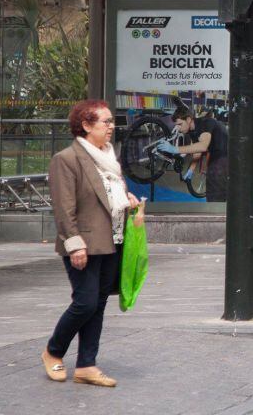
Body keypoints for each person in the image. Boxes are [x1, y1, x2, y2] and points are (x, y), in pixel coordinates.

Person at [44, 99, 140, 387]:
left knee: (97, 304)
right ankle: (53, 351)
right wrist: (75, 244)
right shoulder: (66, 159)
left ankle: (87, 364)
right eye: (105, 121)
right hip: (84, 243)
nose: (111, 127)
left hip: (112, 240)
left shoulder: (109, 157)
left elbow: (109, 196)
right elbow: (64, 208)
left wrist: (127, 200)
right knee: (85, 303)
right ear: (86, 125)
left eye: (112, 121)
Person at [157, 106, 229, 202]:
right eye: (176, 125)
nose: (178, 128)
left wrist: (174, 149)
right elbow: (197, 151)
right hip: (217, 154)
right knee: (214, 188)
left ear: (188, 119)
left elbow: (203, 146)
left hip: (227, 155)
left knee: (215, 190)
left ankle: (217, 207)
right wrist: (191, 170)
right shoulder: (192, 131)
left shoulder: (205, 123)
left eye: (180, 124)